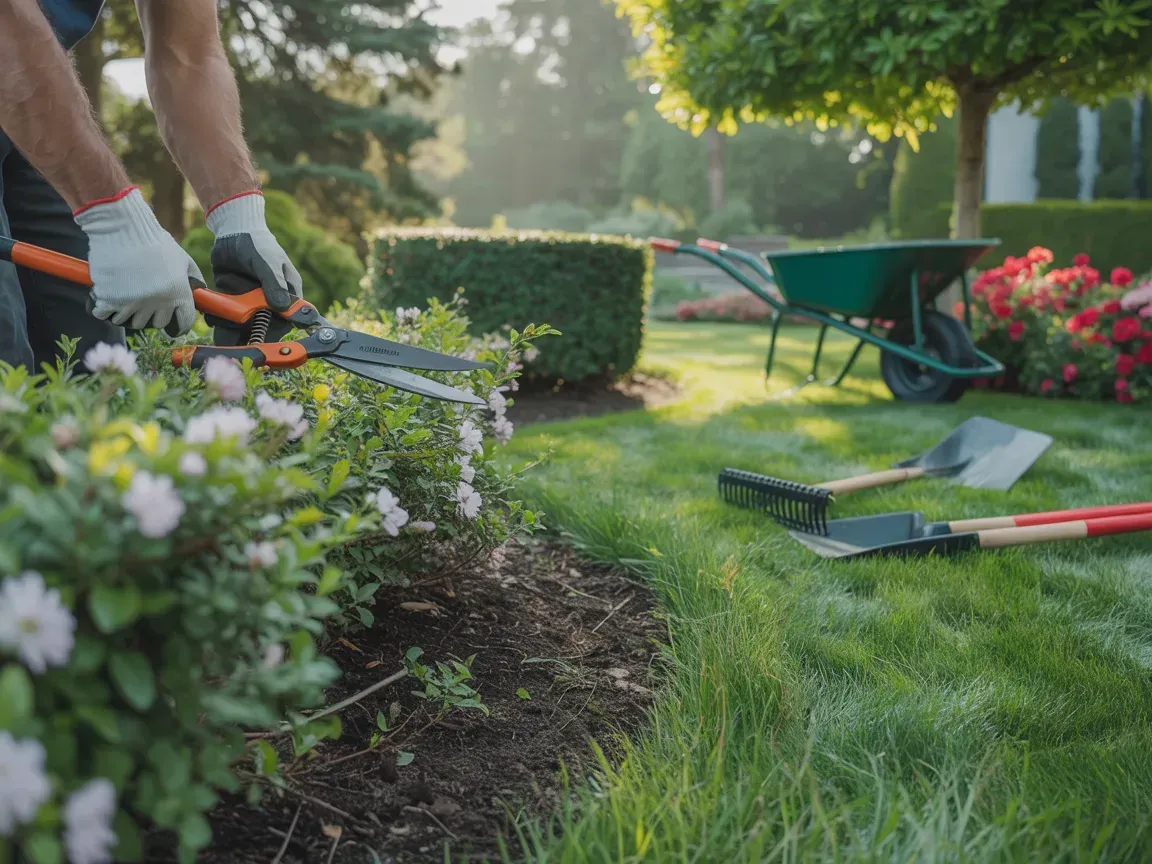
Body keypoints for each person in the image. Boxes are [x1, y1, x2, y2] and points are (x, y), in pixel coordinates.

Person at [0, 0, 304, 372]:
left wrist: (239, 218)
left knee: (95, 365)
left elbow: (187, 53)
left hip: (23, 97)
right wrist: (114, 217)